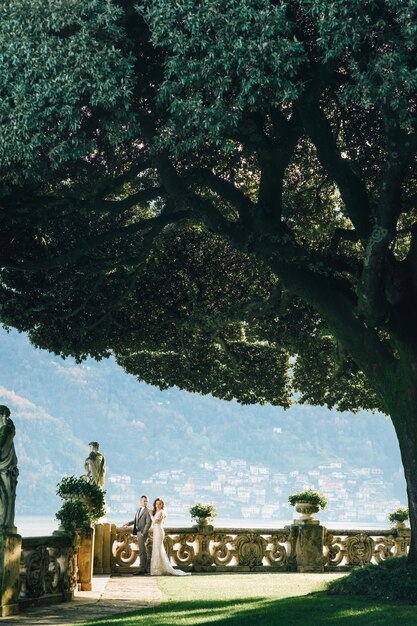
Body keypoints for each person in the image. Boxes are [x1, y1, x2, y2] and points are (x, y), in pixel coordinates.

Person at [150, 498, 190, 576]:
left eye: (159, 504)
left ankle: (157, 569)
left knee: (158, 549)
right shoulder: (157, 511)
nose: (157, 505)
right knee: (156, 549)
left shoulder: (161, 512)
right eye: (156, 504)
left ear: (162, 505)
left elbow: (155, 521)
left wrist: (150, 514)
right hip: (156, 531)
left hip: (159, 531)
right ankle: (157, 569)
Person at [0, 405, 19, 531]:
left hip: (5, 469)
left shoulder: (5, 430)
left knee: (3, 497)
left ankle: (3, 522)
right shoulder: (8, 428)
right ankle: (5, 523)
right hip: (8, 469)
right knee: (6, 496)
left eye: (7, 415)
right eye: (5, 415)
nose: (6, 418)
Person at [124, 495, 152, 575]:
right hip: (138, 532)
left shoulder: (148, 511)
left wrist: (144, 532)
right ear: (140, 501)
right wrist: (128, 523)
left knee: (143, 552)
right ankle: (143, 569)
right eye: (144, 501)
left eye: (147, 501)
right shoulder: (139, 509)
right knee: (142, 551)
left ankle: (142, 569)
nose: (146, 502)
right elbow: (135, 520)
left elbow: (148, 523)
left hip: (143, 533)